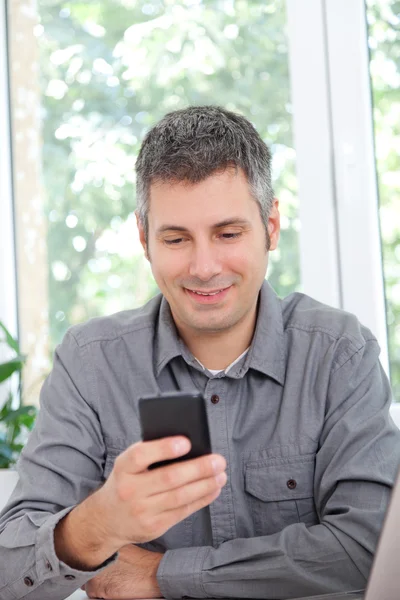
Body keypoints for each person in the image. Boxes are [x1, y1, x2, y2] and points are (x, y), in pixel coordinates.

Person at [0, 105, 399, 600]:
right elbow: (8, 570)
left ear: (271, 226)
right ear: (145, 239)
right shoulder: (90, 363)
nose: (204, 267)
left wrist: (160, 575)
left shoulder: (340, 354)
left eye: (228, 234)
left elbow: (369, 549)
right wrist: (96, 525)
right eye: (175, 238)